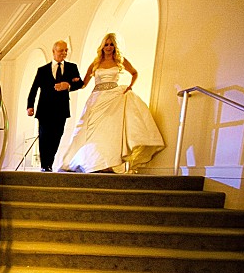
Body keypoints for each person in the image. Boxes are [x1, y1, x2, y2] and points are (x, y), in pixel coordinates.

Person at [58, 33, 165, 173]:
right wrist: (69, 86)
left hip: (114, 99)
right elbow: (83, 84)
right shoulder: (95, 63)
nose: (108, 47)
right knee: (88, 132)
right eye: (106, 44)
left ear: (115, 46)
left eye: (111, 44)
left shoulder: (120, 60)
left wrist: (130, 86)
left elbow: (134, 73)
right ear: (102, 46)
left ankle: (108, 163)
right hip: (96, 100)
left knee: (110, 133)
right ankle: (91, 162)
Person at [26, 40, 84, 171]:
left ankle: (49, 162)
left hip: (61, 110)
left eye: (65, 50)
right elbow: (34, 88)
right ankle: (45, 165)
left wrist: (68, 85)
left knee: (56, 136)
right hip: (44, 109)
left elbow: (80, 83)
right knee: (44, 136)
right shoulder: (42, 70)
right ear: (54, 51)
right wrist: (30, 106)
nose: (64, 53)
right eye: (61, 50)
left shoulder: (72, 67)